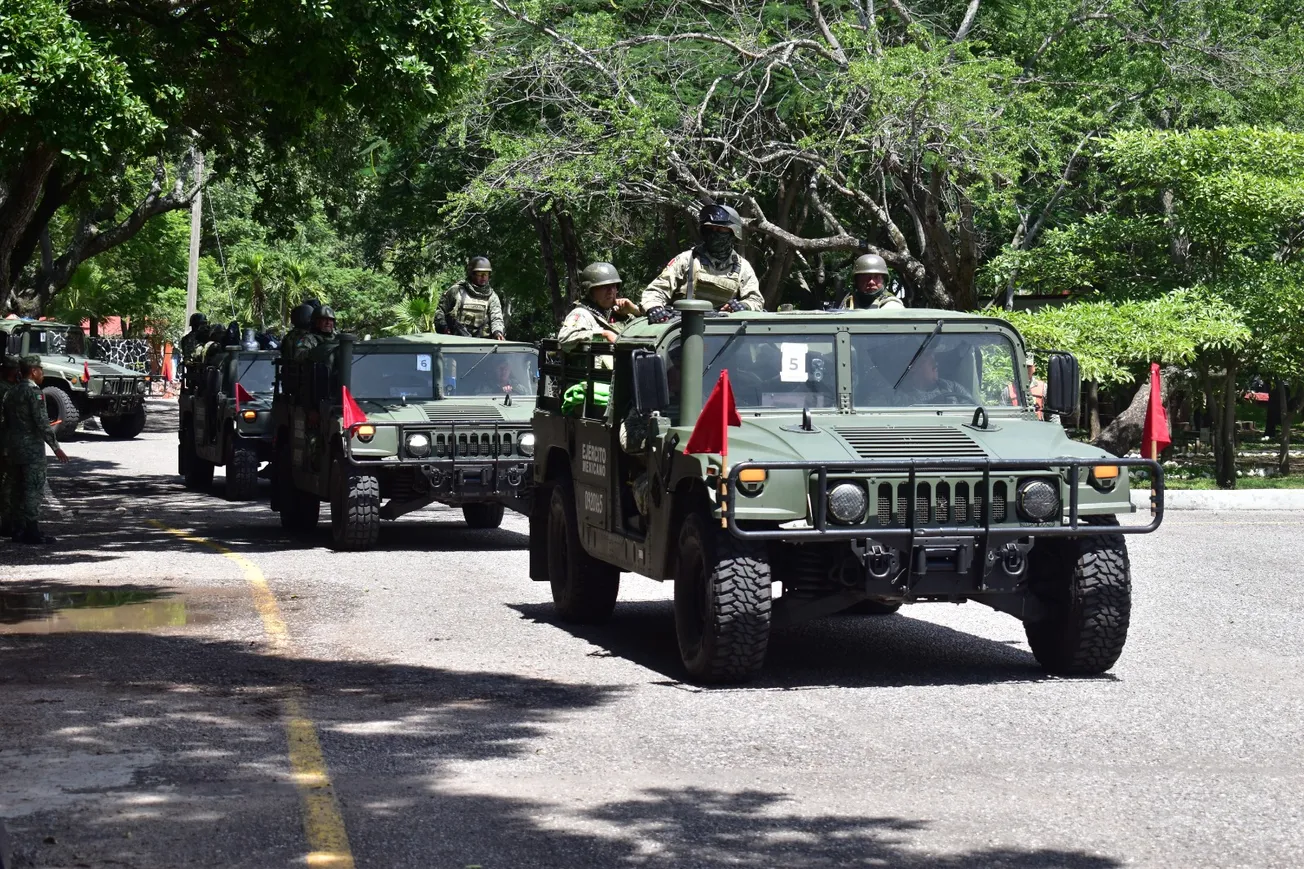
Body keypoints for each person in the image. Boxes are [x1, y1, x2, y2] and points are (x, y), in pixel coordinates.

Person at [640, 204, 764, 321]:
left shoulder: (742, 267)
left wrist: (744, 306)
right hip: (684, 330)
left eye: (720, 230)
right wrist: (654, 307)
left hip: (726, 334)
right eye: (709, 229)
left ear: (733, 234)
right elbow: (656, 290)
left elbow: (755, 299)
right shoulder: (687, 260)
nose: (714, 234)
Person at [2, 355, 68, 544]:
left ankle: (17, 530)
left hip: (13, 448)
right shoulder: (34, 392)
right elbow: (41, 423)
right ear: (33, 371)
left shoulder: (11, 393)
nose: (43, 374)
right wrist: (56, 447)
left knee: (16, 488)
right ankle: (32, 531)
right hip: (31, 449)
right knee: (33, 488)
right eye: (41, 370)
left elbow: (5, 422)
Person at [558, 262, 640, 359]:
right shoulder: (582, 313)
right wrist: (603, 335)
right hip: (598, 372)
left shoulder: (618, 312)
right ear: (589, 291)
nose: (611, 291)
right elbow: (564, 338)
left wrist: (635, 311)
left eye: (614, 286)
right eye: (604, 287)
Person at [437, 257, 505, 339]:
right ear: (472, 274)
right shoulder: (457, 291)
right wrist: (444, 329)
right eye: (480, 274)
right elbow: (440, 312)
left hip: (482, 343)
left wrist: (497, 332)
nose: (483, 277)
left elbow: (496, 317)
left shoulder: (492, 296)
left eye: (486, 274)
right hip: (454, 341)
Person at [892, 347, 974, 406]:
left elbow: (973, 409)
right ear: (913, 366)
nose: (935, 363)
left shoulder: (952, 387)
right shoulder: (900, 396)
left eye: (934, 357)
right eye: (928, 357)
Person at [0, 355, 21, 536]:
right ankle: (6, 524)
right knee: (7, 483)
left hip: (9, 441)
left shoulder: (12, 388)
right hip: (5, 442)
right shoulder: (6, 390)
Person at [839, 254, 904, 310]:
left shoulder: (891, 305)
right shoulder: (848, 302)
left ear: (884, 280)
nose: (871, 282)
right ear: (856, 281)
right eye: (865, 277)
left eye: (876, 277)